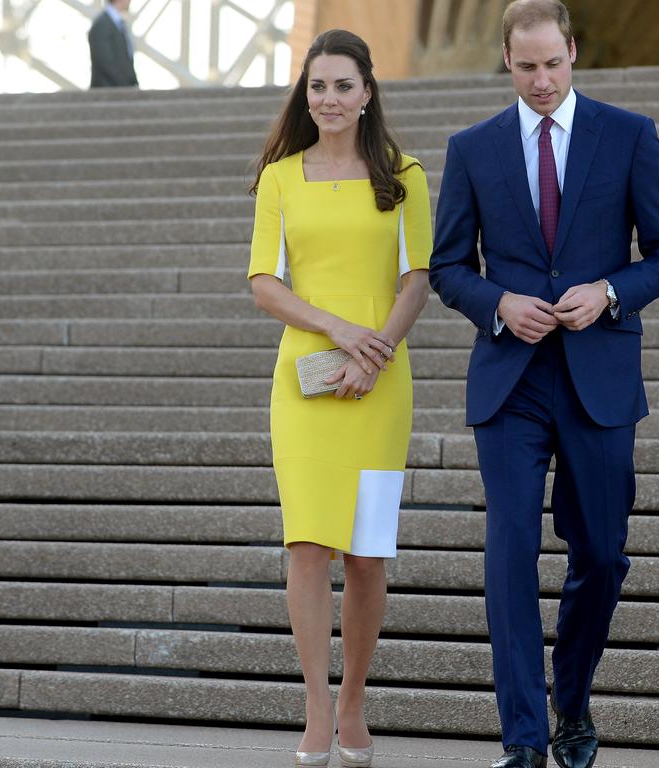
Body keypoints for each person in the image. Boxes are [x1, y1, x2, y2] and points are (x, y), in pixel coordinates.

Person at [429, 1, 659, 767]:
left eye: (553, 63)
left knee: (603, 555)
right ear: (505, 63)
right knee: (510, 552)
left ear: (573, 52)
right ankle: (522, 740)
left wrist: (610, 293)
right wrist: (499, 304)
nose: (541, 81)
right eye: (526, 66)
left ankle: (570, 700)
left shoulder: (629, 135)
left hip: (598, 378)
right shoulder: (473, 148)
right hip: (511, 381)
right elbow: (448, 268)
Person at [247, 28, 432, 768]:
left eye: (343, 86)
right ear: (306, 92)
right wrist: (337, 331)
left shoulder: (405, 174)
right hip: (305, 386)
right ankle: (317, 708)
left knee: (366, 553)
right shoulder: (279, 177)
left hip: (382, 389)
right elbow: (265, 283)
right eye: (317, 86)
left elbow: (417, 278)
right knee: (307, 545)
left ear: (368, 93)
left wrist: (375, 351)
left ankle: (354, 699)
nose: (329, 99)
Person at [88, 0, 138, 88]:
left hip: (119, 92)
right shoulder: (102, 24)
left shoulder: (118, 24)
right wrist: (127, 86)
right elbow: (105, 63)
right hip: (108, 94)